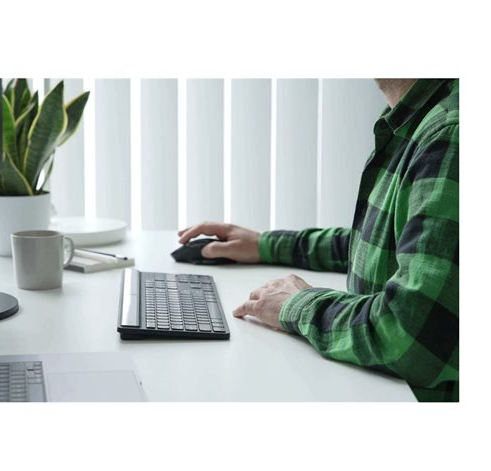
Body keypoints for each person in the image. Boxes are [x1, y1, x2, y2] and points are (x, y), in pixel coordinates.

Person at [178, 79, 459, 402]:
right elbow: (384, 245)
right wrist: (265, 245)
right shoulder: (417, 117)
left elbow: (412, 334)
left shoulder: (450, 134)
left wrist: (297, 305)